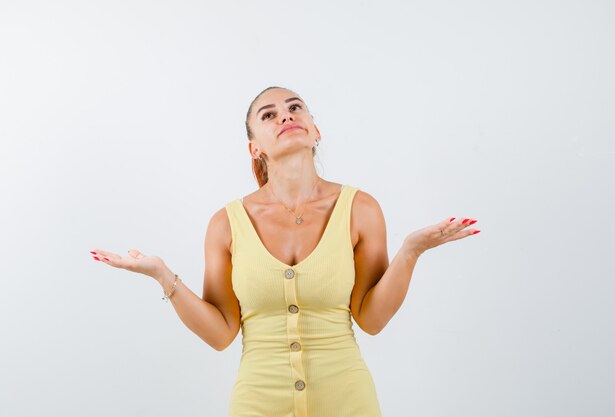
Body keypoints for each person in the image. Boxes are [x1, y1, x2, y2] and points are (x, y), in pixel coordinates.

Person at [89, 86, 480, 416]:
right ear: (254, 148)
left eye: (295, 108)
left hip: (348, 401)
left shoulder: (360, 209)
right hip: (257, 403)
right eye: (269, 114)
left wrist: (411, 252)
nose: (286, 116)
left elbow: (372, 319)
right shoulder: (226, 224)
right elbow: (222, 333)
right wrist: (163, 275)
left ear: (315, 130)